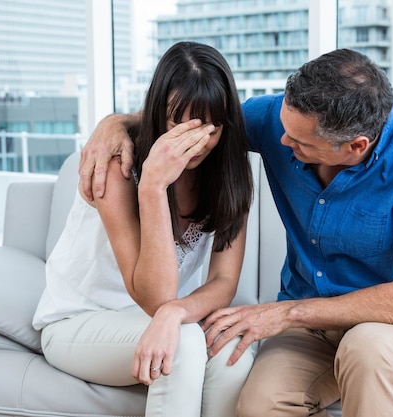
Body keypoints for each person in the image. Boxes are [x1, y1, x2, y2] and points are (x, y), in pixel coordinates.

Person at [79, 48, 393, 417]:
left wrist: (286, 314)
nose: (282, 142)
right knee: (260, 405)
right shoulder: (281, 122)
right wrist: (114, 123)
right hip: (310, 333)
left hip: (390, 326)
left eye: (299, 143)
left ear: (355, 146)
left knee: (367, 352)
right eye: (283, 128)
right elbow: (198, 119)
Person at [32, 41, 254, 417]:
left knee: (233, 348)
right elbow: (156, 297)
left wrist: (174, 313)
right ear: (157, 116)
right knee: (183, 343)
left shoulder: (227, 173)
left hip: (161, 318)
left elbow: (224, 281)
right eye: (178, 124)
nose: (194, 141)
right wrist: (152, 184)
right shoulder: (117, 165)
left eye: (209, 128)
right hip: (79, 322)